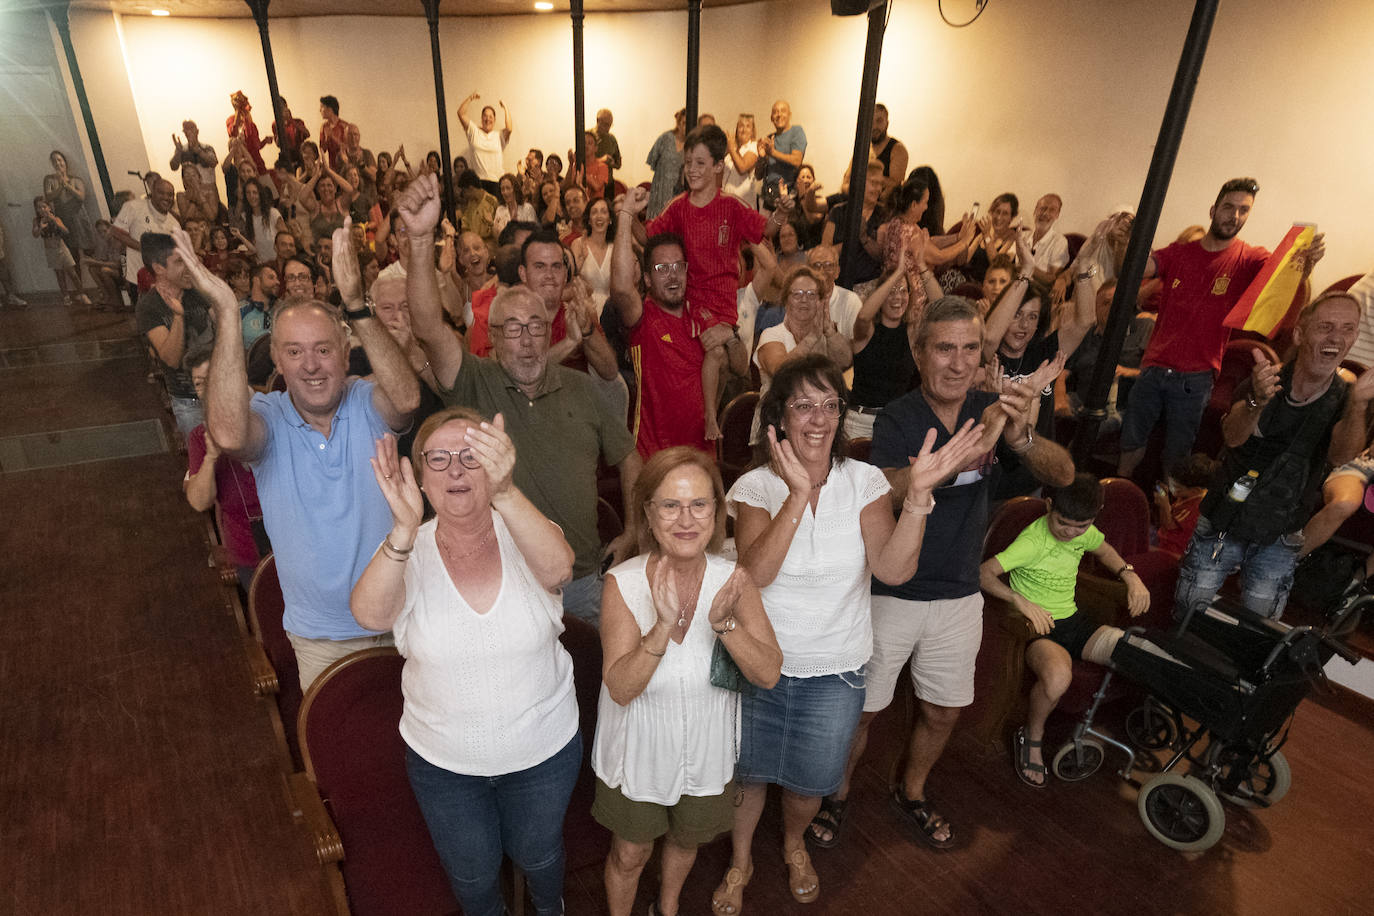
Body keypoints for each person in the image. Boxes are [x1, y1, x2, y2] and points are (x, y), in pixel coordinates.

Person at [716, 354, 985, 912]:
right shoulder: (755, 486)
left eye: (830, 405)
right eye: (803, 406)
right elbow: (755, 574)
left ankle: (793, 845)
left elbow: (893, 569)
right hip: (760, 662)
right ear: (779, 418)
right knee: (748, 775)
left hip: (835, 669)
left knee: (810, 782)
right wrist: (797, 495)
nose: (818, 419)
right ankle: (740, 860)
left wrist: (917, 500)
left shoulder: (863, 481)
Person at [824, 296, 1073, 850]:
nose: (958, 363)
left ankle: (912, 791)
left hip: (959, 594)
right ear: (920, 354)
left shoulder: (993, 409)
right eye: (944, 349)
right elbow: (884, 488)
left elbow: (1063, 474)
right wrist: (962, 454)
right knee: (861, 713)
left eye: (969, 349)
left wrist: (1019, 438)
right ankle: (835, 795)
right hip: (891, 591)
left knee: (943, 711)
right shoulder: (898, 416)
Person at [351, 410, 579, 916]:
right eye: (439, 458)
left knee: (540, 856)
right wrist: (403, 530)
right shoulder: (405, 551)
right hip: (444, 765)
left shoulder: (524, 527)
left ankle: (551, 909)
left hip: (543, 751)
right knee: (473, 877)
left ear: (497, 465)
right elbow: (369, 616)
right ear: (420, 477)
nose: (455, 469)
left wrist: (506, 491)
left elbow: (560, 568)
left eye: (472, 456)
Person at [399, 173, 641, 624]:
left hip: (582, 584)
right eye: (513, 328)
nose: (527, 340)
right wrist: (419, 240)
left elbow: (630, 458)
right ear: (492, 336)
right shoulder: (473, 381)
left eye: (535, 327)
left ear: (549, 331)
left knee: (598, 669)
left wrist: (632, 531)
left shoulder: (582, 388)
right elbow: (428, 326)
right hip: (502, 585)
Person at [196, 217, 419, 688]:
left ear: (345, 353)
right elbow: (229, 434)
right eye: (295, 352)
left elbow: (406, 399)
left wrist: (355, 304)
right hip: (321, 639)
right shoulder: (269, 415)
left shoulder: (364, 400)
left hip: (405, 621)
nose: (312, 365)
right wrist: (228, 313)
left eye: (323, 349)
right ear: (277, 360)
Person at [595, 447, 782, 916]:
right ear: (648, 513)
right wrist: (660, 628)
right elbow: (620, 688)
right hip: (637, 753)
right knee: (630, 853)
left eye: (699, 504)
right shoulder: (622, 584)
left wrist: (725, 626)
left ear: (716, 511)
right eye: (670, 505)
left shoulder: (734, 581)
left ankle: (668, 907)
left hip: (706, 750)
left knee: (686, 841)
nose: (685, 519)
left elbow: (768, 673)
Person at [1175, 292, 1373, 620]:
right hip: (1225, 519)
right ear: (1300, 334)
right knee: (1188, 614)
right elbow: (1233, 437)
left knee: (1259, 630)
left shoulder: (1348, 399)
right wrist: (1257, 400)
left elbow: (1341, 456)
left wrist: (1358, 405)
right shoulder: (1265, 380)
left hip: (1281, 534)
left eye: (1347, 329)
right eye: (1325, 327)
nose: (1336, 338)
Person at [1118, 178, 1326, 477]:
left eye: (1244, 210)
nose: (1235, 216)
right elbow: (1136, 268)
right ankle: (1116, 493)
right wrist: (1125, 239)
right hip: (1153, 367)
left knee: (1177, 456)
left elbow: (1284, 284)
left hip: (1197, 376)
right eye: (1229, 207)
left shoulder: (1250, 258)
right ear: (1213, 210)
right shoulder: (1180, 252)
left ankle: (1170, 506)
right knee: (1131, 442)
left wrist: (1306, 264)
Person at [980, 473, 1149, 787]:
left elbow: (1105, 550)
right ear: (1049, 506)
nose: (1071, 533)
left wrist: (1130, 575)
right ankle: (1032, 736)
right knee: (1058, 677)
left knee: (1138, 651)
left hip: (1073, 622)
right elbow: (984, 573)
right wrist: (1019, 599)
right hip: (1038, 630)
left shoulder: (1084, 532)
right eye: (1063, 523)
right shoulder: (1032, 541)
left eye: (1081, 526)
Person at [640, 125, 785, 440]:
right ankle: (709, 419)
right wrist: (626, 216)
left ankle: (711, 418)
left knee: (729, 358)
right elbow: (649, 236)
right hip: (694, 302)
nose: (691, 170)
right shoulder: (678, 207)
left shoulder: (731, 206)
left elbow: (767, 231)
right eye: (688, 163)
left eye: (700, 163)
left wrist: (781, 213)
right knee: (716, 353)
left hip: (725, 305)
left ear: (719, 166)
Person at [982, 229, 1093, 499]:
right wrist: (1026, 272)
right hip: (991, 478)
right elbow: (990, 336)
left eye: (1032, 317)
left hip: (1032, 473)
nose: (1023, 325)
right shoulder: (989, 354)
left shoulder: (1044, 353)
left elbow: (1085, 320)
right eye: (1016, 315)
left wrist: (1083, 267)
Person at [610, 194, 712, 459]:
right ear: (647, 279)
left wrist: (729, 338)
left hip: (702, 454)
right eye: (662, 268)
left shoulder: (702, 315)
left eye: (678, 266)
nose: (672, 275)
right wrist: (626, 215)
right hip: (655, 455)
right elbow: (621, 287)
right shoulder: (643, 316)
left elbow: (737, 365)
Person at [184, 345, 264, 592]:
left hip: (298, 546)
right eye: (199, 384)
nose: (208, 390)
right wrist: (210, 457)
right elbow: (200, 502)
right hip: (248, 553)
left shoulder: (268, 413)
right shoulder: (200, 437)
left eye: (213, 378)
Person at [846, 240, 943, 439]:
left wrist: (921, 266)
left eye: (902, 291)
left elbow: (941, 307)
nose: (897, 297)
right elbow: (863, 316)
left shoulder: (912, 331)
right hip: (861, 421)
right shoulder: (867, 332)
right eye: (891, 292)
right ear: (880, 297)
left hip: (896, 420)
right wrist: (898, 273)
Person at [752, 265, 854, 442]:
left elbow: (845, 361)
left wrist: (829, 331)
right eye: (797, 294)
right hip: (776, 426)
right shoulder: (772, 334)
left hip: (818, 423)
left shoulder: (825, 335)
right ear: (786, 300)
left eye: (811, 294)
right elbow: (781, 371)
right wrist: (812, 337)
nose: (804, 300)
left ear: (821, 302)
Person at [135, 232, 216, 435]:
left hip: (220, 391)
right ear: (159, 268)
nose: (188, 266)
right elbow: (171, 359)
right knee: (201, 453)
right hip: (189, 401)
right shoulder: (149, 306)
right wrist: (178, 316)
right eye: (180, 261)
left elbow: (225, 325)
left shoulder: (197, 292)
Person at [111, 178, 180, 298]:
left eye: (170, 194)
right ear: (152, 192)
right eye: (161, 193)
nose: (166, 197)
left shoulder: (174, 223)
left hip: (163, 282)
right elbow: (116, 232)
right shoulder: (132, 207)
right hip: (137, 279)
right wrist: (144, 248)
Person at [1153, 453, 1215, 557]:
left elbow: (1169, 526)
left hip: (1173, 550)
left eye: (1176, 487)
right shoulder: (1189, 495)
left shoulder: (1197, 508)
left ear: (1195, 490)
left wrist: (1164, 505)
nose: (1171, 488)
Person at [44, 149, 96, 269]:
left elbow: (81, 197)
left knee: (89, 251)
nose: (58, 163)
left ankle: (97, 277)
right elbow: (48, 197)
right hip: (64, 221)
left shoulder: (76, 180)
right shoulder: (49, 180)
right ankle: (80, 281)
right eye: (54, 161)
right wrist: (60, 186)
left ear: (65, 161)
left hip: (79, 219)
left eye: (59, 160)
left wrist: (66, 184)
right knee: (72, 257)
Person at [32, 197, 84, 307]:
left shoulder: (56, 218)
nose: (42, 209)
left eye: (44, 206)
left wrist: (55, 221)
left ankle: (82, 294)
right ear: (36, 209)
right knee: (60, 275)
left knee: (73, 273)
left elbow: (66, 231)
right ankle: (66, 297)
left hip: (62, 248)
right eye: (38, 207)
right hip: (50, 250)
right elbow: (35, 235)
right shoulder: (36, 221)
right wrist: (41, 227)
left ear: (49, 207)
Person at [458, 92, 512, 196]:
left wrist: (505, 107)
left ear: (494, 120)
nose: (488, 119)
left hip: (497, 182)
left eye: (491, 117)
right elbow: (461, 113)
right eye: (485, 116)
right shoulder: (474, 131)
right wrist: (471, 98)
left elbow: (509, 128)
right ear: (481, 118)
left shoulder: (499, 135)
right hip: (479, 183)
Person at [756, 100, 806, 210]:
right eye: (775, 112)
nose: (779, 115)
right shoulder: (769, 138)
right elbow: (758, 176)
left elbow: (797, 161)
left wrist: (773, 153)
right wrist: (761, 158)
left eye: (783, 111)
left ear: (790, 115)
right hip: (768, 198)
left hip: (788, 197)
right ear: (771, 118)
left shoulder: (796, 131)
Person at [572, 197, 614, 313]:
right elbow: (570, 279)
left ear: (610, 219)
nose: (599, 216)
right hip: (584, 310)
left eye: (604, 212)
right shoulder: (578, 244)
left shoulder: (615, 248)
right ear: (589, 220)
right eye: (594, 212)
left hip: (610, 311)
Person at [645, 109, 687, 220]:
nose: (685, 127)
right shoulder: (665, 138)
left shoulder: (691, 145)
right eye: (683, 123)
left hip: (678, 194)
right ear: (678, 123)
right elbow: (652, 162)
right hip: (660, 191)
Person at [1026, 194, 1070, 287]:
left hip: (1037, 290)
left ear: (1057, 215)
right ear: (1035, 211)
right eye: (1042, 208)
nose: (1045, 213)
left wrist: (1025, 266)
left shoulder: (1060, 242)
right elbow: (1005, 263)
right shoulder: (1023, 236)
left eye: (1052, 210)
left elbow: (1051, 280)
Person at [870, 103, 909, 197]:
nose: (874, 126)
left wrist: (865, 178)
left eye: (879, 121)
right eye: (871, 121)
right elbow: (847, 181)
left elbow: (895, 185)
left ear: (887, 124)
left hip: (881, 203)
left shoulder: (898, 149)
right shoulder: (863, 149)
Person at [723, 114, 759, 209]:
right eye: (741, 126)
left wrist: (731, 149)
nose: (744, 130)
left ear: (752, 131)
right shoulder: (732, 149)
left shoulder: (754, 147)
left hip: (743, 205)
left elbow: (742, 168)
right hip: (726, 203)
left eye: (748, 126)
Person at [240, 262, 279, 350]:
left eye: (277, 279)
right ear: (256, 280)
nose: (277, 282)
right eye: (271, 277)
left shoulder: (282, 310)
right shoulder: (240, 311)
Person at [493, 172, 536, 240]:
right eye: (502, 189)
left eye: (508, 188)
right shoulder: (500, 210)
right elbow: (497, 236)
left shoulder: (527, 208)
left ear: (515, 189)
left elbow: (533, 233)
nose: (505, 192)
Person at [317, 94, 354, 171]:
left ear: (329, 109)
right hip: (332, 168)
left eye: (322, 107)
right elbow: (322, 150)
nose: (320, 110)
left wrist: (333, 137)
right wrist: (327, 139)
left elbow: (349, 148)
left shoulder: (345, 126)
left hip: (346, 167)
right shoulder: (324, 127)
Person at [593, 108, 622, 172]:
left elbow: (618, 164)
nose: (608, 128)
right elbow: (581, 161)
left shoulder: (612, 139)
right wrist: (601, 160)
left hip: (607, 178)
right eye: (605, 124)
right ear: (598, 121)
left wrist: (612, 163)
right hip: (590, 177)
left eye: (610, 125)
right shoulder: (587, 137)